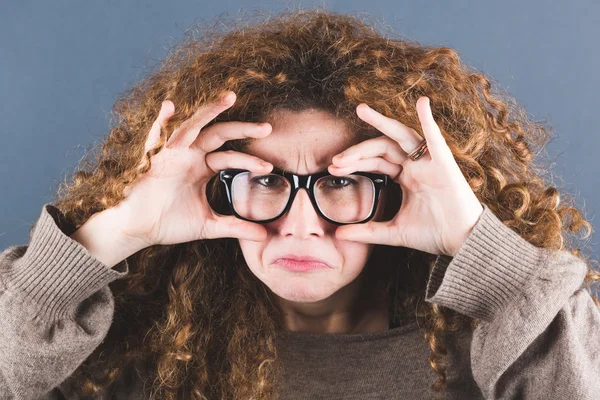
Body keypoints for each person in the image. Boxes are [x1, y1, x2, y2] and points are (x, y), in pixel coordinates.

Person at [1, 7, 599, 400]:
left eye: (341, 182)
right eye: (264, 180)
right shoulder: (129, 353)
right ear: (215, 188)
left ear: (395, 191)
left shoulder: (496, 352)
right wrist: (122, 229)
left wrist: (478, 246)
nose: (301, 225)